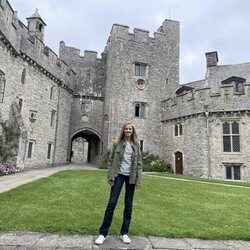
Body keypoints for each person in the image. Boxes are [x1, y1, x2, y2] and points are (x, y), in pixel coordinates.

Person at [95, 122, 143, 245]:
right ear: (123, 130)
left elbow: (139, 164)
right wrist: (110, 176)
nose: (128, 131)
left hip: (131, 177)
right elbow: (110, 161)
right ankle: (103, 233)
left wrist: (138, 180)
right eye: (126, 129)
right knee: (112, 203)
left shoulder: (136, 145)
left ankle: (124, 233)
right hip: (118, 176)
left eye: (130, 129)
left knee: (128, 206)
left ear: (132, 131)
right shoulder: (117, 144)